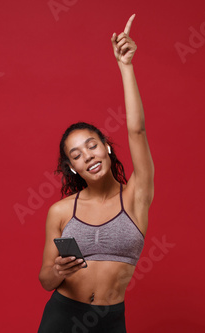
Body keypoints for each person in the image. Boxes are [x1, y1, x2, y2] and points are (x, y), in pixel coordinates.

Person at [38, 14, 154, 332]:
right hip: (62, 317)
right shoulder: (61, 211)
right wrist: (59, 269)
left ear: (107, 147)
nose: (87, 156)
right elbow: (45, 279)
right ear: (73, 168)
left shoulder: (137, 195)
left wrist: (126, 67)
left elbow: (138, 131)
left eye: (92, 146)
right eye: (76, 155)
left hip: (110, 321)